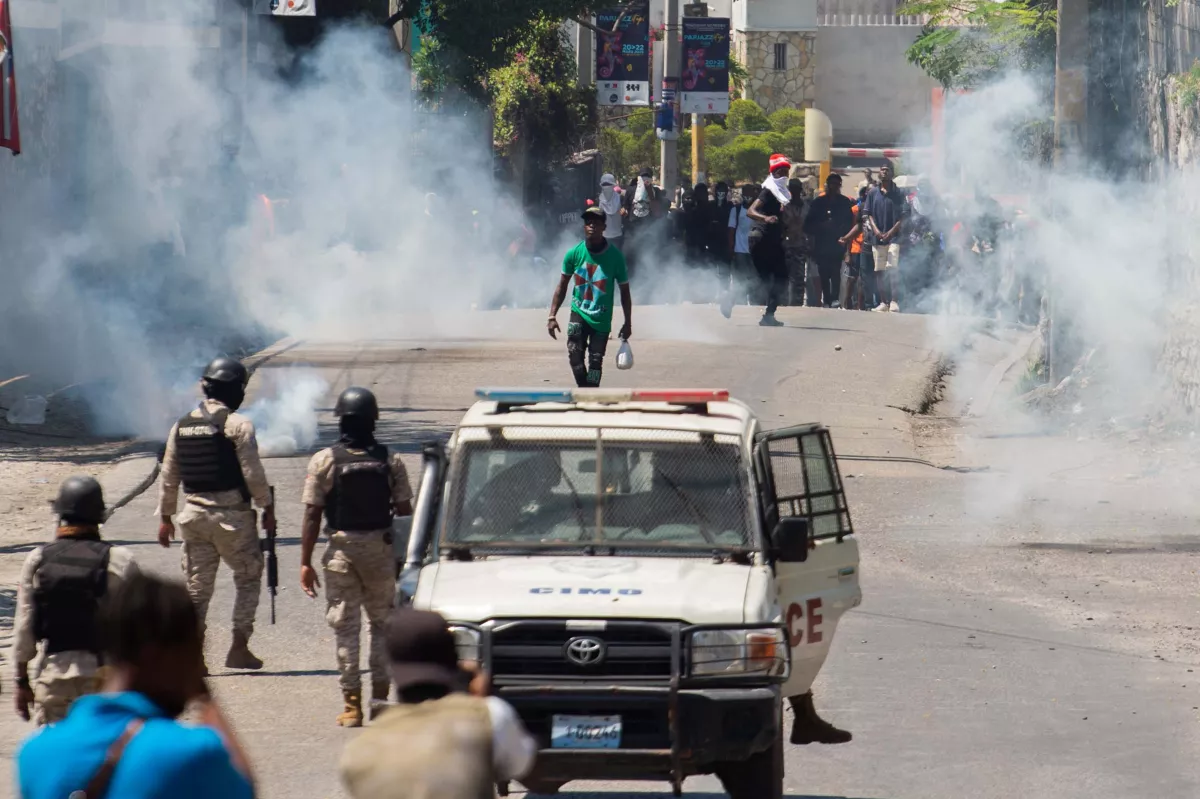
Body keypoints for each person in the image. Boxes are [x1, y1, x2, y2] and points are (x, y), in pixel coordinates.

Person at [16, 572, 255, 799]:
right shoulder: (191, 753)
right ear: (159, 653)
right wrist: (205, 698)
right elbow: (244, 789)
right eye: (194, 652)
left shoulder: (35, 754)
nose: (198, 668)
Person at [300, 386, 415, 728]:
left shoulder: (324, 460)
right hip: (381, 553)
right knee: (382, 625)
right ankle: (380, 700)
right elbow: (405, 513)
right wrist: (406, 559)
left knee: (345, 628)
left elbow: (312, 514)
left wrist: (305, 562)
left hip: (340, 555)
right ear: (373, 421)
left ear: (341, 421)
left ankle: (351, 706)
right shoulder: (390, 460)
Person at [339, 608, 537, 799]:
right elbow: (520, 764)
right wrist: (477, 699)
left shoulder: (359, 752)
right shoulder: (489, 716)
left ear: (391, 663)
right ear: (453, 655)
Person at [157, 356, 275, 673]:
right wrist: (266, 506)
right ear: (235, 390)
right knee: (248, 578)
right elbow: (253, 473)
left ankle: (194, 657)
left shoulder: (181, 426)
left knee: (197, 590)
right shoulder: (238, 425)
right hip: (232, 519)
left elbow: (169, 475)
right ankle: (239, 647)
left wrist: (165, 518)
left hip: (193, 518)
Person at [12, 477, 138, 726]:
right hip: (105, 677)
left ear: (60, 514)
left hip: (55, 675)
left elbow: (24, 626)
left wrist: (21, 682)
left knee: (57, 748)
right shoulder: (120, 559)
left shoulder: (38, 559)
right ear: (100, 516)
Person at [548, 206, 633, 388]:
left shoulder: (616, 257)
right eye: (588, 222)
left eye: (596, 222)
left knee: (595, 362)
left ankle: (591, 393)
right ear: (584, 226)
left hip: (601, 318)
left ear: (604, 227)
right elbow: (562, 286)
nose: (592, 225)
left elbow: (625, 292)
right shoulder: (573, 254)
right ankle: (585, 391)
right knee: (574, 355)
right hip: (578, 312)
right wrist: (552, 316)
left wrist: (628, 323)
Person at [747, 153, 794, 326]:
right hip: (761, 239)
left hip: (773, 240)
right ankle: (730, 298)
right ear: (774, 173)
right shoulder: (768, 190)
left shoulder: (780, 192)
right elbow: (750, 211)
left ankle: (769, 315)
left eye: (786, 171)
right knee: (765, 279)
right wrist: (765, 218)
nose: (785, 175)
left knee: (780, 278)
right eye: (781, 171)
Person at [804, 173, 857, 308]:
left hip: (837, 242)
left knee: (835, 271)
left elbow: (850, 223)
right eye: (831, 184)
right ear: (827, 185)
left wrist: (843, 234)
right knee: (823, 273)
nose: (834, 187)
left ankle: (834, 299)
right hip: (821, 243)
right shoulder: (818, 202)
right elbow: (808, 225)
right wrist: (822, 225)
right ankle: (826, 299)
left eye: (836, 184)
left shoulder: (844, 202)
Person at [862, 163, 908, 312]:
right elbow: (868, 214)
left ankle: (894, 301)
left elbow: (904, 215)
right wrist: (876, 230)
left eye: (887, 170)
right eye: (882, 170)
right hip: (878, 238)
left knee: (892, 268)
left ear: (892, 173)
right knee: (879, 270)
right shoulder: (873, 193)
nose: (884, 172)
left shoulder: (899, 193)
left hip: (894, 238)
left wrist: (891, 232)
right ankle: (883, 302)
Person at [721, 183, 756, 317]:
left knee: (754, 281)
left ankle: (751, 306)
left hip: (754, 252)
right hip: (740, 251)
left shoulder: (759, 210)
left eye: (750, 194)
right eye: (745, 194)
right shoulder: (736, 210)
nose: (747, 197)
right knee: (740, 280)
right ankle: (737, 305)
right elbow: (731, 230)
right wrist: (732, 249)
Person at [780, 177, 809, 306]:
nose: (794, 192)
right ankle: (784, 302)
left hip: (800, 245)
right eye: (792, 189)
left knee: (799, 276)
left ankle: (797, 303)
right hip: (786, 245)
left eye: (796, 189)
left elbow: (809, 226)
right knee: (785, 276)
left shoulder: (806, 207)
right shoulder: (783, 206)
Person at [597, 173, 627, 252]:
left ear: (613, 185)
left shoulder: (620, 198)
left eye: (608, 184)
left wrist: (624, 212)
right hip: (603, 236)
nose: (606, 186)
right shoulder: (598, 199)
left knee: (616, 256)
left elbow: (625, 214)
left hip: (617, 236)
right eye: (604, 184)